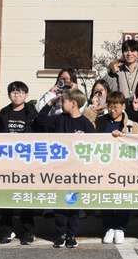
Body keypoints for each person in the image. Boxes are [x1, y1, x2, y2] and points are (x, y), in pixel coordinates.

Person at [37, 88, 95, 248]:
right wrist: (50, 103)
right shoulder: (59, 119)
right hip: (59, 170)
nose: (62, 103)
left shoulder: (85, 123)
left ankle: (71, 234)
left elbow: (96, 143)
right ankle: (60, 233)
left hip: (77, 171)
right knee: (59, 204)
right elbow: (40, 120)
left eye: (64, 101)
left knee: (73, 204)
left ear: (74, 103)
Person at [0, 81, 40, 244]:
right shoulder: (3, 114)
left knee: (26, 198)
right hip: (8, 162)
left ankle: (28, 231)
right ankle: (6, 230)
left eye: (20, 92)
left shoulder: (33, 114)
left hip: (27, 162)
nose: (17, 95)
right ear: (9, 95)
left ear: (26, 95)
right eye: (13, 92)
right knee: (7, 197)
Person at [97, 91, 138, 244]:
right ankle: (109, 227)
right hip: (105, 165)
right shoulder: (101, 121)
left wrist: (123, 136)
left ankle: (120, 227)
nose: (112, 110)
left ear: (123, 106)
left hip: (125, 167)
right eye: (110, 107)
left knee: (123, 198)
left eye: (116, 107)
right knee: (107, 197)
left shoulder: (132, 125)